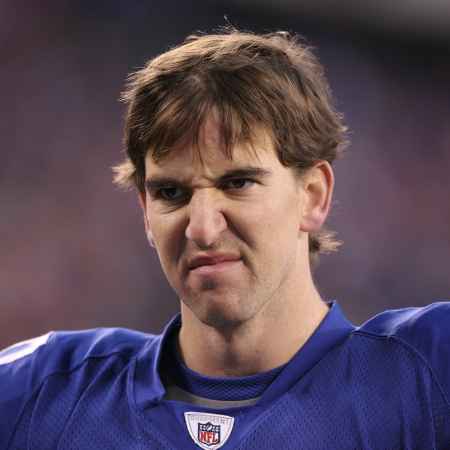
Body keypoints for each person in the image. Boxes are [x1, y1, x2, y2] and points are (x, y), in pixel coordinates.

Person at [1, 28, 449, 450]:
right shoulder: (45, 390)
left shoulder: (424, 376)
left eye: (237, 183)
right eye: (171, 193)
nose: (202, 227)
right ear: (144, 212)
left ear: (313, 195)